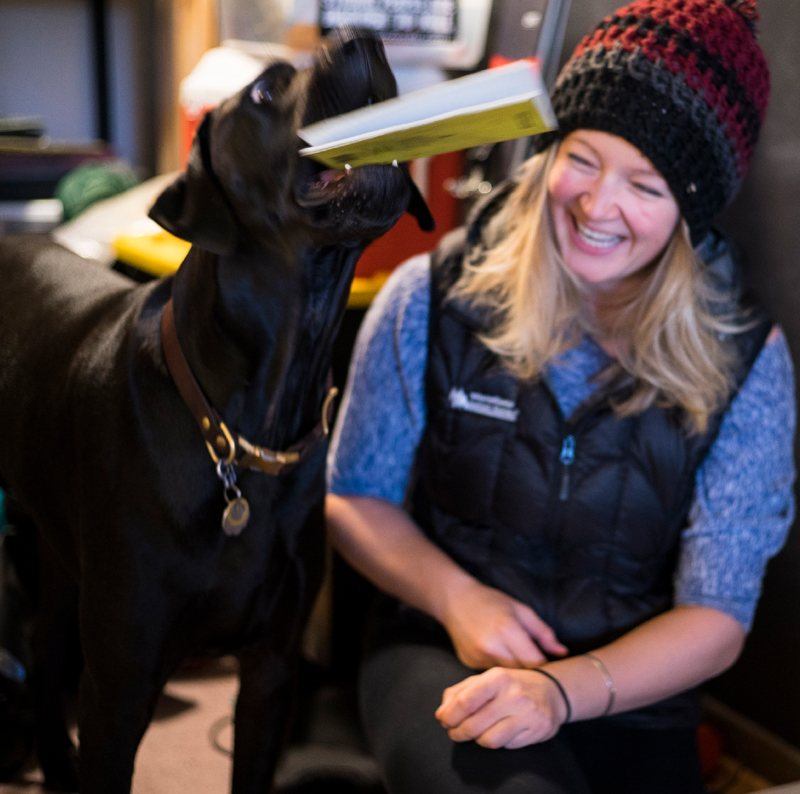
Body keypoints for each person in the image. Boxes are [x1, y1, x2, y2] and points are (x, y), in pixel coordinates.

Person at [325, 1, 796, 791]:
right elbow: (353, 498)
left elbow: (716, 618)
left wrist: (559, 692)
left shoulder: (748, 362)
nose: (596, 204)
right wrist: (459, 598)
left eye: (644, 184)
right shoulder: (430, 297)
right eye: (582, 158)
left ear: (691, 210)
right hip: (444, 653)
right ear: (548, 152)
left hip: (633, 695)